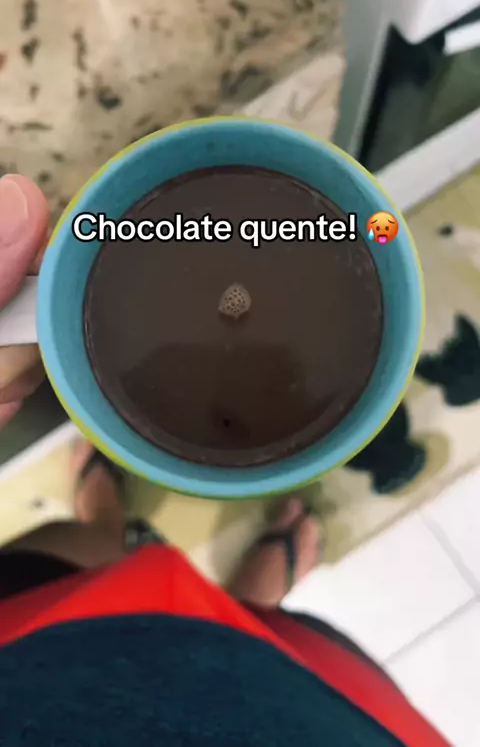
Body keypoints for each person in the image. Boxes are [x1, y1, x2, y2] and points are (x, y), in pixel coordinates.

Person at [0, 172, 450, 747]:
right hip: (305, 718)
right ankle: (252, 606)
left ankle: (104, 521)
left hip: (36, 659)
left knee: (70, 552)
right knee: (276, 656)